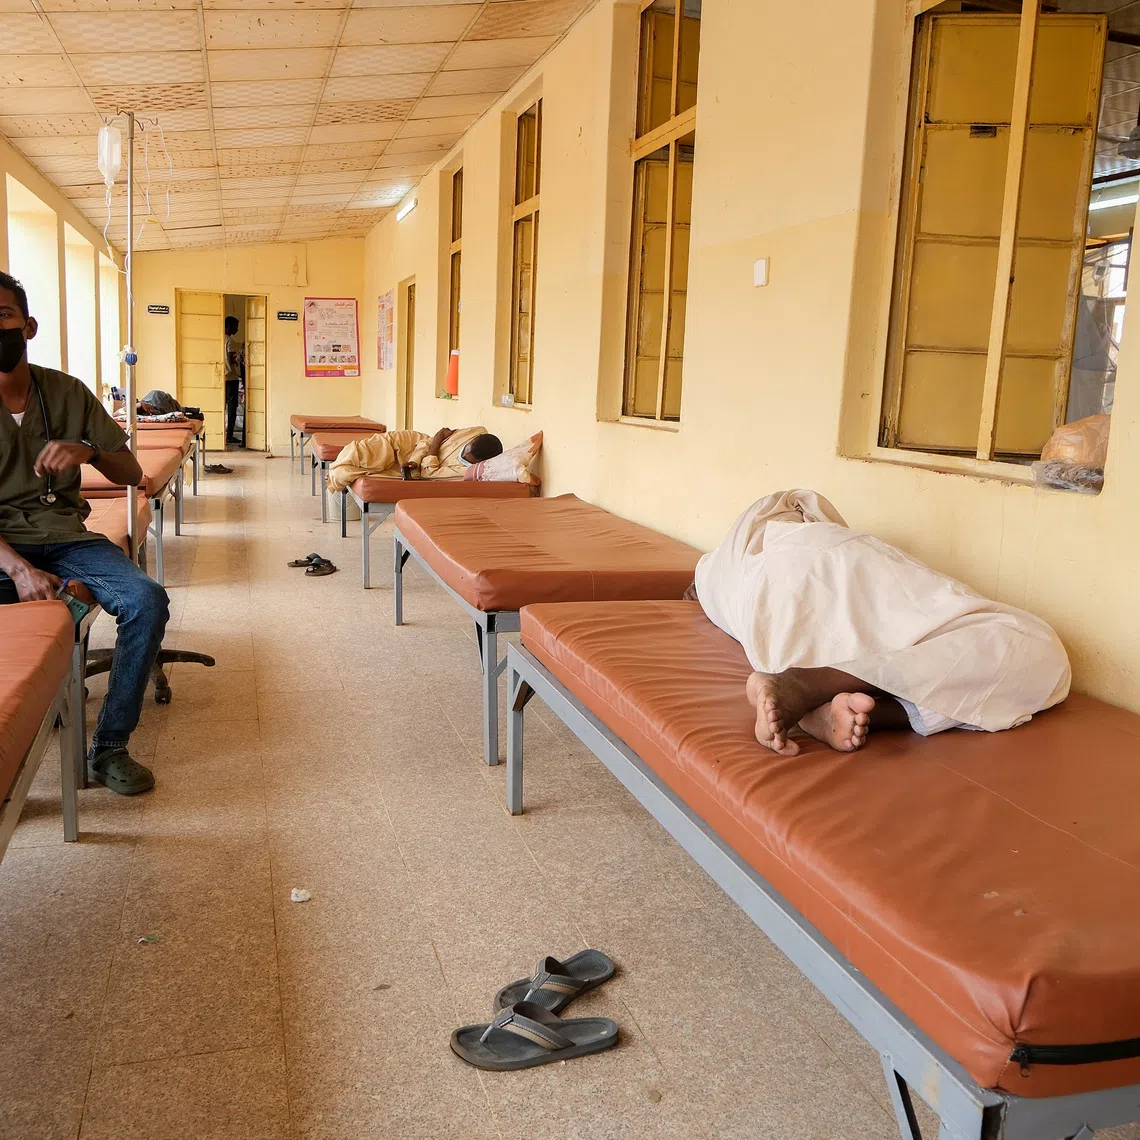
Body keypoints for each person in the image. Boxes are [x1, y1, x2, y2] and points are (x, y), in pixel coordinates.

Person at [693, 490, 1071, 757]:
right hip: (839, 560)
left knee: (805, 621)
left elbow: (705, 587)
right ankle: (840, 695)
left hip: (794, 577)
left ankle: (814, 685)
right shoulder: (789, 534)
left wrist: (695, 591)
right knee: (1040, 652)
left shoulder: (719, 569)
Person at [0, 271, 169, 795]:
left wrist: (89, 452)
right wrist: (19, 568)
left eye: (2, 317)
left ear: (28, 327)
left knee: (146, 599)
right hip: (2, 547)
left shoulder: (67, 393)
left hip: (67, 536)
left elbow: (130, 473)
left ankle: (109, 745)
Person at [326, 426, 503, 493]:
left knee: (344, 472)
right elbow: (428, 440)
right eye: (465, 451)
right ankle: (337, 467)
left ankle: (334, 474)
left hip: (409, 467)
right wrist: (420, 457)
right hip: (412, 443)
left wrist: (437, 440)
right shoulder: (476, 432)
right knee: (358, 450)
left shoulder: (465, 471)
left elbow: (428, 473)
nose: (462, 456)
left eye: (467, 458)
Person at [224, 315, 242, 443]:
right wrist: (238, 360)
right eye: (236, 326)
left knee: (221, 407)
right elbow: (231, 359)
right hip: (231, 378)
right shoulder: (229, 340)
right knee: (231, 407)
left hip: (222, 378)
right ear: (229, 326)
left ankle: (221, 435)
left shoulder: (219, 339)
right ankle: (229, 435)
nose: (237, 329)